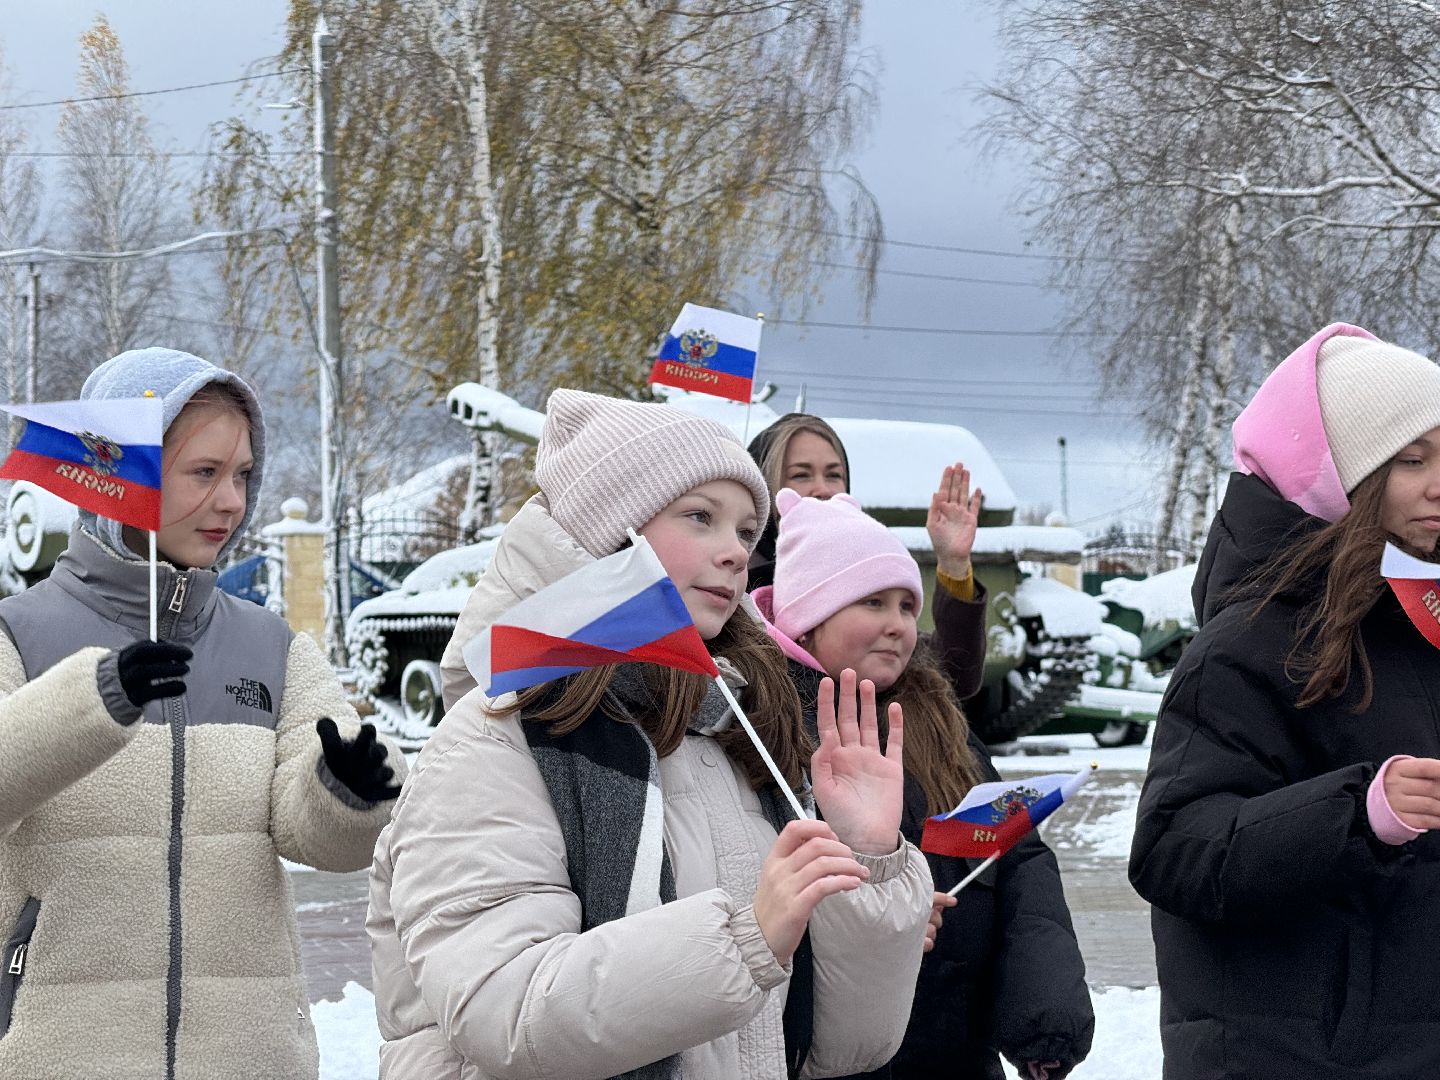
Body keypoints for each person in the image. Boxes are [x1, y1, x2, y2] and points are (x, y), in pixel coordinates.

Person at [368, 389, 933, 1079]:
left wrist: (867, 861)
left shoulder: (738, 728)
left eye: (746, 531)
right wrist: (745, 938)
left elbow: (841, 1045)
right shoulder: (493, 738)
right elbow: (503, 1013)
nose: (734, 552)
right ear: (613, 533)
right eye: (701, 517)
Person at [0, 347, 406, 1080]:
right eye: (204, 472)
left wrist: (347, 794)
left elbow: (326, 841)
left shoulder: (272, 646)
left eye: (243, 474)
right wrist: (96, 698)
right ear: (121, 473)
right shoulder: (17, 633)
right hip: (55, 1054)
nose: (232, 501)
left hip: (250, 1058)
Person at [1130, 323, 1440, 1078]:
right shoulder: (1249, 642)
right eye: (1411, 458)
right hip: (1296, 1056)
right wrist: (1358, 813)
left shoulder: (1424, 623)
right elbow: (1173, 850)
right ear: (1342, 473)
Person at [754, 489, 1093, 1080]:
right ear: (808, 617)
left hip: (954, 1044)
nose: (898, 626)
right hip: (828, 1055)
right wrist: (887, 914)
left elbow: (1015, 854)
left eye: (908, 607)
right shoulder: (762, 728)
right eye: (873, 602)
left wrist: (1044, 1014)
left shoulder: (934, 716)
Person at [745, 413, 989, 703]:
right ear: (762, 484)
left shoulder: (864, 566)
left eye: (834, 475)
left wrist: (954, 564)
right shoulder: (732, 585)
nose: (823, 488)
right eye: (801, 474)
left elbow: (950, 676)